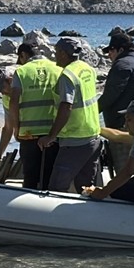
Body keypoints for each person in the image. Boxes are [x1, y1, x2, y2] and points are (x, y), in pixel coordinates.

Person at [37, 37, 102, 193]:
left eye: (56, 52)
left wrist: (51, 136)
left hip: (75, 139)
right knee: (85, 186)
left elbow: (66, 106)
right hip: (93, 135)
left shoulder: (67, 75)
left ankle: (54, 216)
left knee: (56, 187)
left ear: (64, 54)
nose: (54, 55)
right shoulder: (88, 69)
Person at [5, 43, 61, 189]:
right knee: (49, 175)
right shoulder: (57, 69)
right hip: (53, 132)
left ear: (23, 55)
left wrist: (16, 129)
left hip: (28, 132)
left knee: (30, 176)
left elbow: (13, 102)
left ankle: (28, 207)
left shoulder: (22, 72)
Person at [96, 32, 134, 168]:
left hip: (123, 124)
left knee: (124, 168)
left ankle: (124, 188)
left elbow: (110, 94)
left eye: (111, 50)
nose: (109, 55)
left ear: (120, 50)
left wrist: (90, 112)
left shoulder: (122, 65)